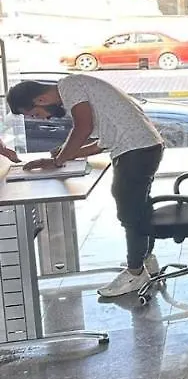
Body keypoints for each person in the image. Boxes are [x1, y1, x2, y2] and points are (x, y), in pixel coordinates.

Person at [7, 76, 164, 297]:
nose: (43, 118)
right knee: (139, 207)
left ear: (41, 100)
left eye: (34, 114)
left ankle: (135, 273)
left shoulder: (69, 86)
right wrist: (64, 155)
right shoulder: (77, 88)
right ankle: (145, 260)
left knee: (129, 212)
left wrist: (59, 160)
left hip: (136, 151)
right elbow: (102, 142)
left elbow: (83, 128)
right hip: (142, 147)